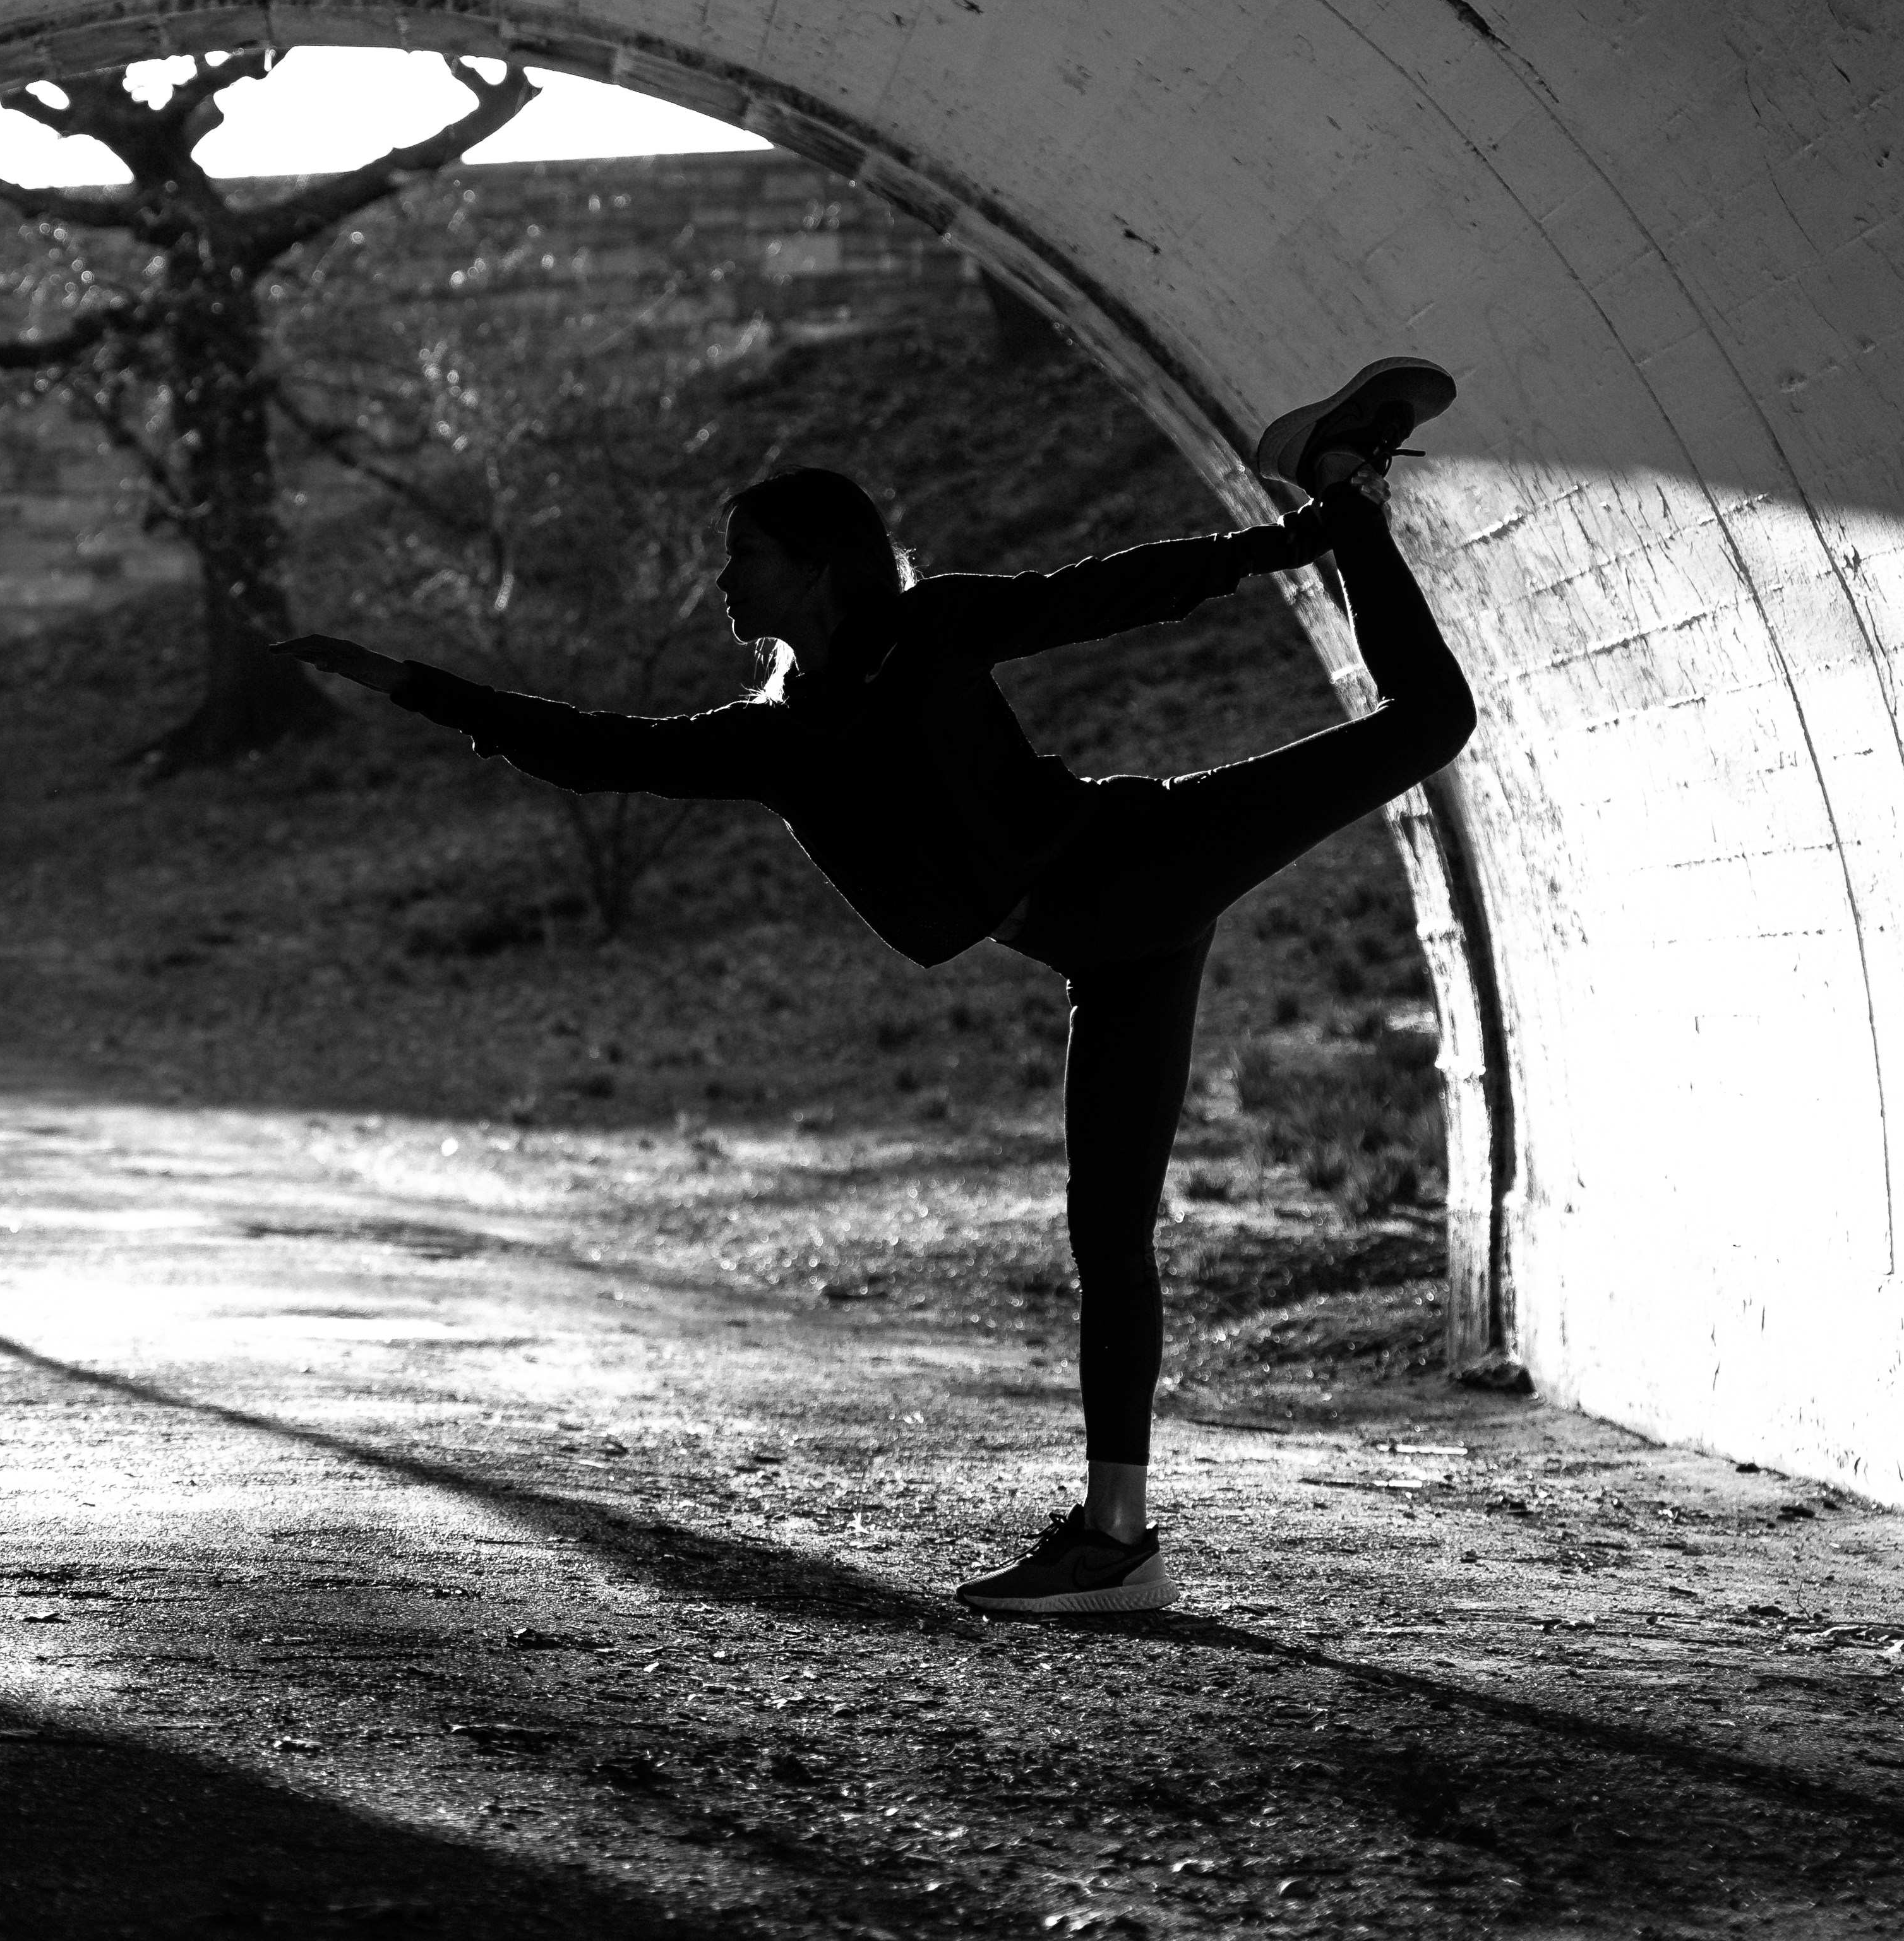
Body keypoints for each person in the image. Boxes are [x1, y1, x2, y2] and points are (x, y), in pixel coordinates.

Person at [278, 358, 1474, 1615]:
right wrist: (399, 681)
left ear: (818, 561)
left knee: (1427, 719)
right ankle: (1117, 1544)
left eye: (743, 553)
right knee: (1106, 1237)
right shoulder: (777, 742)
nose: (723, 579)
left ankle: (1338, 493)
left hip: (1141, 859)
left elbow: (1108, 595)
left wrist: (1281, 546)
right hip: (1101, 946)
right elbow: (593, 751)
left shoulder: (930, 629)